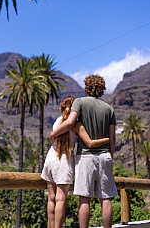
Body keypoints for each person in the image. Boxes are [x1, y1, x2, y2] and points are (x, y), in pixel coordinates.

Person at [50, 75, 118, 228]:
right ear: (102, 89)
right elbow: (112, 137)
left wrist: (54, 134)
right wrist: (110, 155)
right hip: (105, 155)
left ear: (86, 86)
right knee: (106, 198)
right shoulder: (109, 109)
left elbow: (69, 123)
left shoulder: (80, 102)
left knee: (85, 198)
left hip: (86, 157)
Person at [42, 95, 110, 228]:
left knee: (51, 198)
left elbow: (53, 138)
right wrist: (108, 139)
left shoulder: (58, 121)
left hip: (50, 158)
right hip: (63, 160)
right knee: (60, 199)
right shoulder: (77, 125)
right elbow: (89, 143)